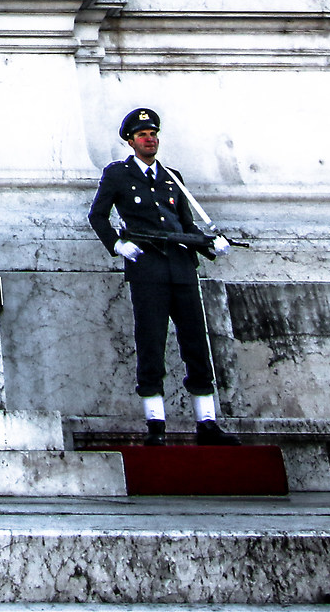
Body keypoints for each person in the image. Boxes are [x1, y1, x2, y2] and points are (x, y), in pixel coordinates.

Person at [86, 106, 240, 445]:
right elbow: (97, 216)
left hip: (182, 269)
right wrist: (117, 245)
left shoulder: (173, 178)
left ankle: (207, 422)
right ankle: (155, 424)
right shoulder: (117, 176)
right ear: (130, 141)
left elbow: (185, 227)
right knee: (152, 343)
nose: (149, 139)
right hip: (147, 269)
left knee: (196, 344)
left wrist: (211, 245)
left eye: (153, 134)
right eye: (142, 135)